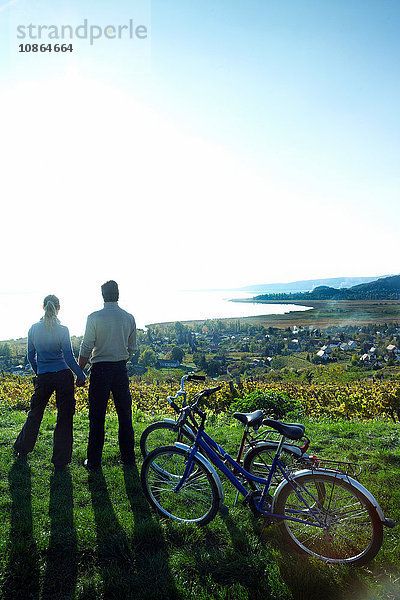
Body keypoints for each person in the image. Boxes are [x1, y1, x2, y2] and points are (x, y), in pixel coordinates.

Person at [14, 294, 86, 470]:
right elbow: (68, 357)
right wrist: (81, 374)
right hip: (63, 376)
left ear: (43, 307)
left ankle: (22, 449)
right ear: (59, 308)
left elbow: (31, 356)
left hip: (44, 376)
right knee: (64, 417)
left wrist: (39, 372)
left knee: (35, 413)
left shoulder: (33, 329)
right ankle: (60, 461)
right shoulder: (63, 330)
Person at [78, 280, 136, 471]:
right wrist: (120, 360)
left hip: (100, 370)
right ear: (118, 294)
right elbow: (132, 349)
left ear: (103, 295)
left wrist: (80, 372)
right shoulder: (128, 318)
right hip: (120, 369)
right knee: (125, 415)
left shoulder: (94, 318)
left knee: (97, 416)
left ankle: (94, 461)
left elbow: (86, 347)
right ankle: (128, 458)